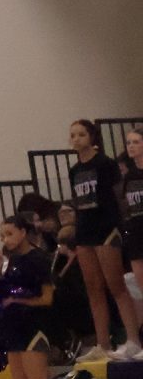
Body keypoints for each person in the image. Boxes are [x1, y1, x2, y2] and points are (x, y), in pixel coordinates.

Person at [0, 215, 67, 379]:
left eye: (10, 234)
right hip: (14, 329)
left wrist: (17, 301)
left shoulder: (38, 259)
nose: (6, 239)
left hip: (35, 328)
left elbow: (47, 298)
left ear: (23, 232)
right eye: (3, 235)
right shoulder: (11, 260)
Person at [67, 119, 140, 360]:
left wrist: (119, 227)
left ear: (92, 137)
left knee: (116, 285)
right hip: (85, 231)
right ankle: (102, 343)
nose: (76, 139)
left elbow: (119, 196)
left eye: (81, 135)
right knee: (92, 288)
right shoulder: (75, 170)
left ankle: (133, 340)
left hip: (106, 228)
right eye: (73, 135)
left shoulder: (105, 164)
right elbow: (79, 203)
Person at [122, 127, 143, 338]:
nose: (131, 146)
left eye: (136, 142)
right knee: (140, 287)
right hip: (136, 232)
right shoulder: (129, 176)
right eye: (128, 142)